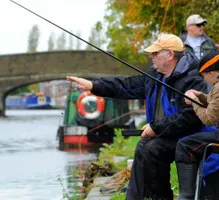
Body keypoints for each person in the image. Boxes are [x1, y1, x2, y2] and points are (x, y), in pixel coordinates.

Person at [67, 33, 209, 200]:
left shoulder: (192, 79)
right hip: (167, 133)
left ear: (170, 55)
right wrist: (93, 85)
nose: (151, 57)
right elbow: (126, 86)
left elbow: (190, 118)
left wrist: (155, 127)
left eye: (155, 53)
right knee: (143, 146)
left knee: (153, 148)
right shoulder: (154, 75)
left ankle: (160, 197)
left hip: (190, 136)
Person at [175, 51, 219, 199]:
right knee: (193, 144)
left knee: (185, 146)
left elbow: (209, 118)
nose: (204, 80)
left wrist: (193, 102)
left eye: (203, 76)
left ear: (210, 72)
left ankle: (186, 195)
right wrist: (200, 96)